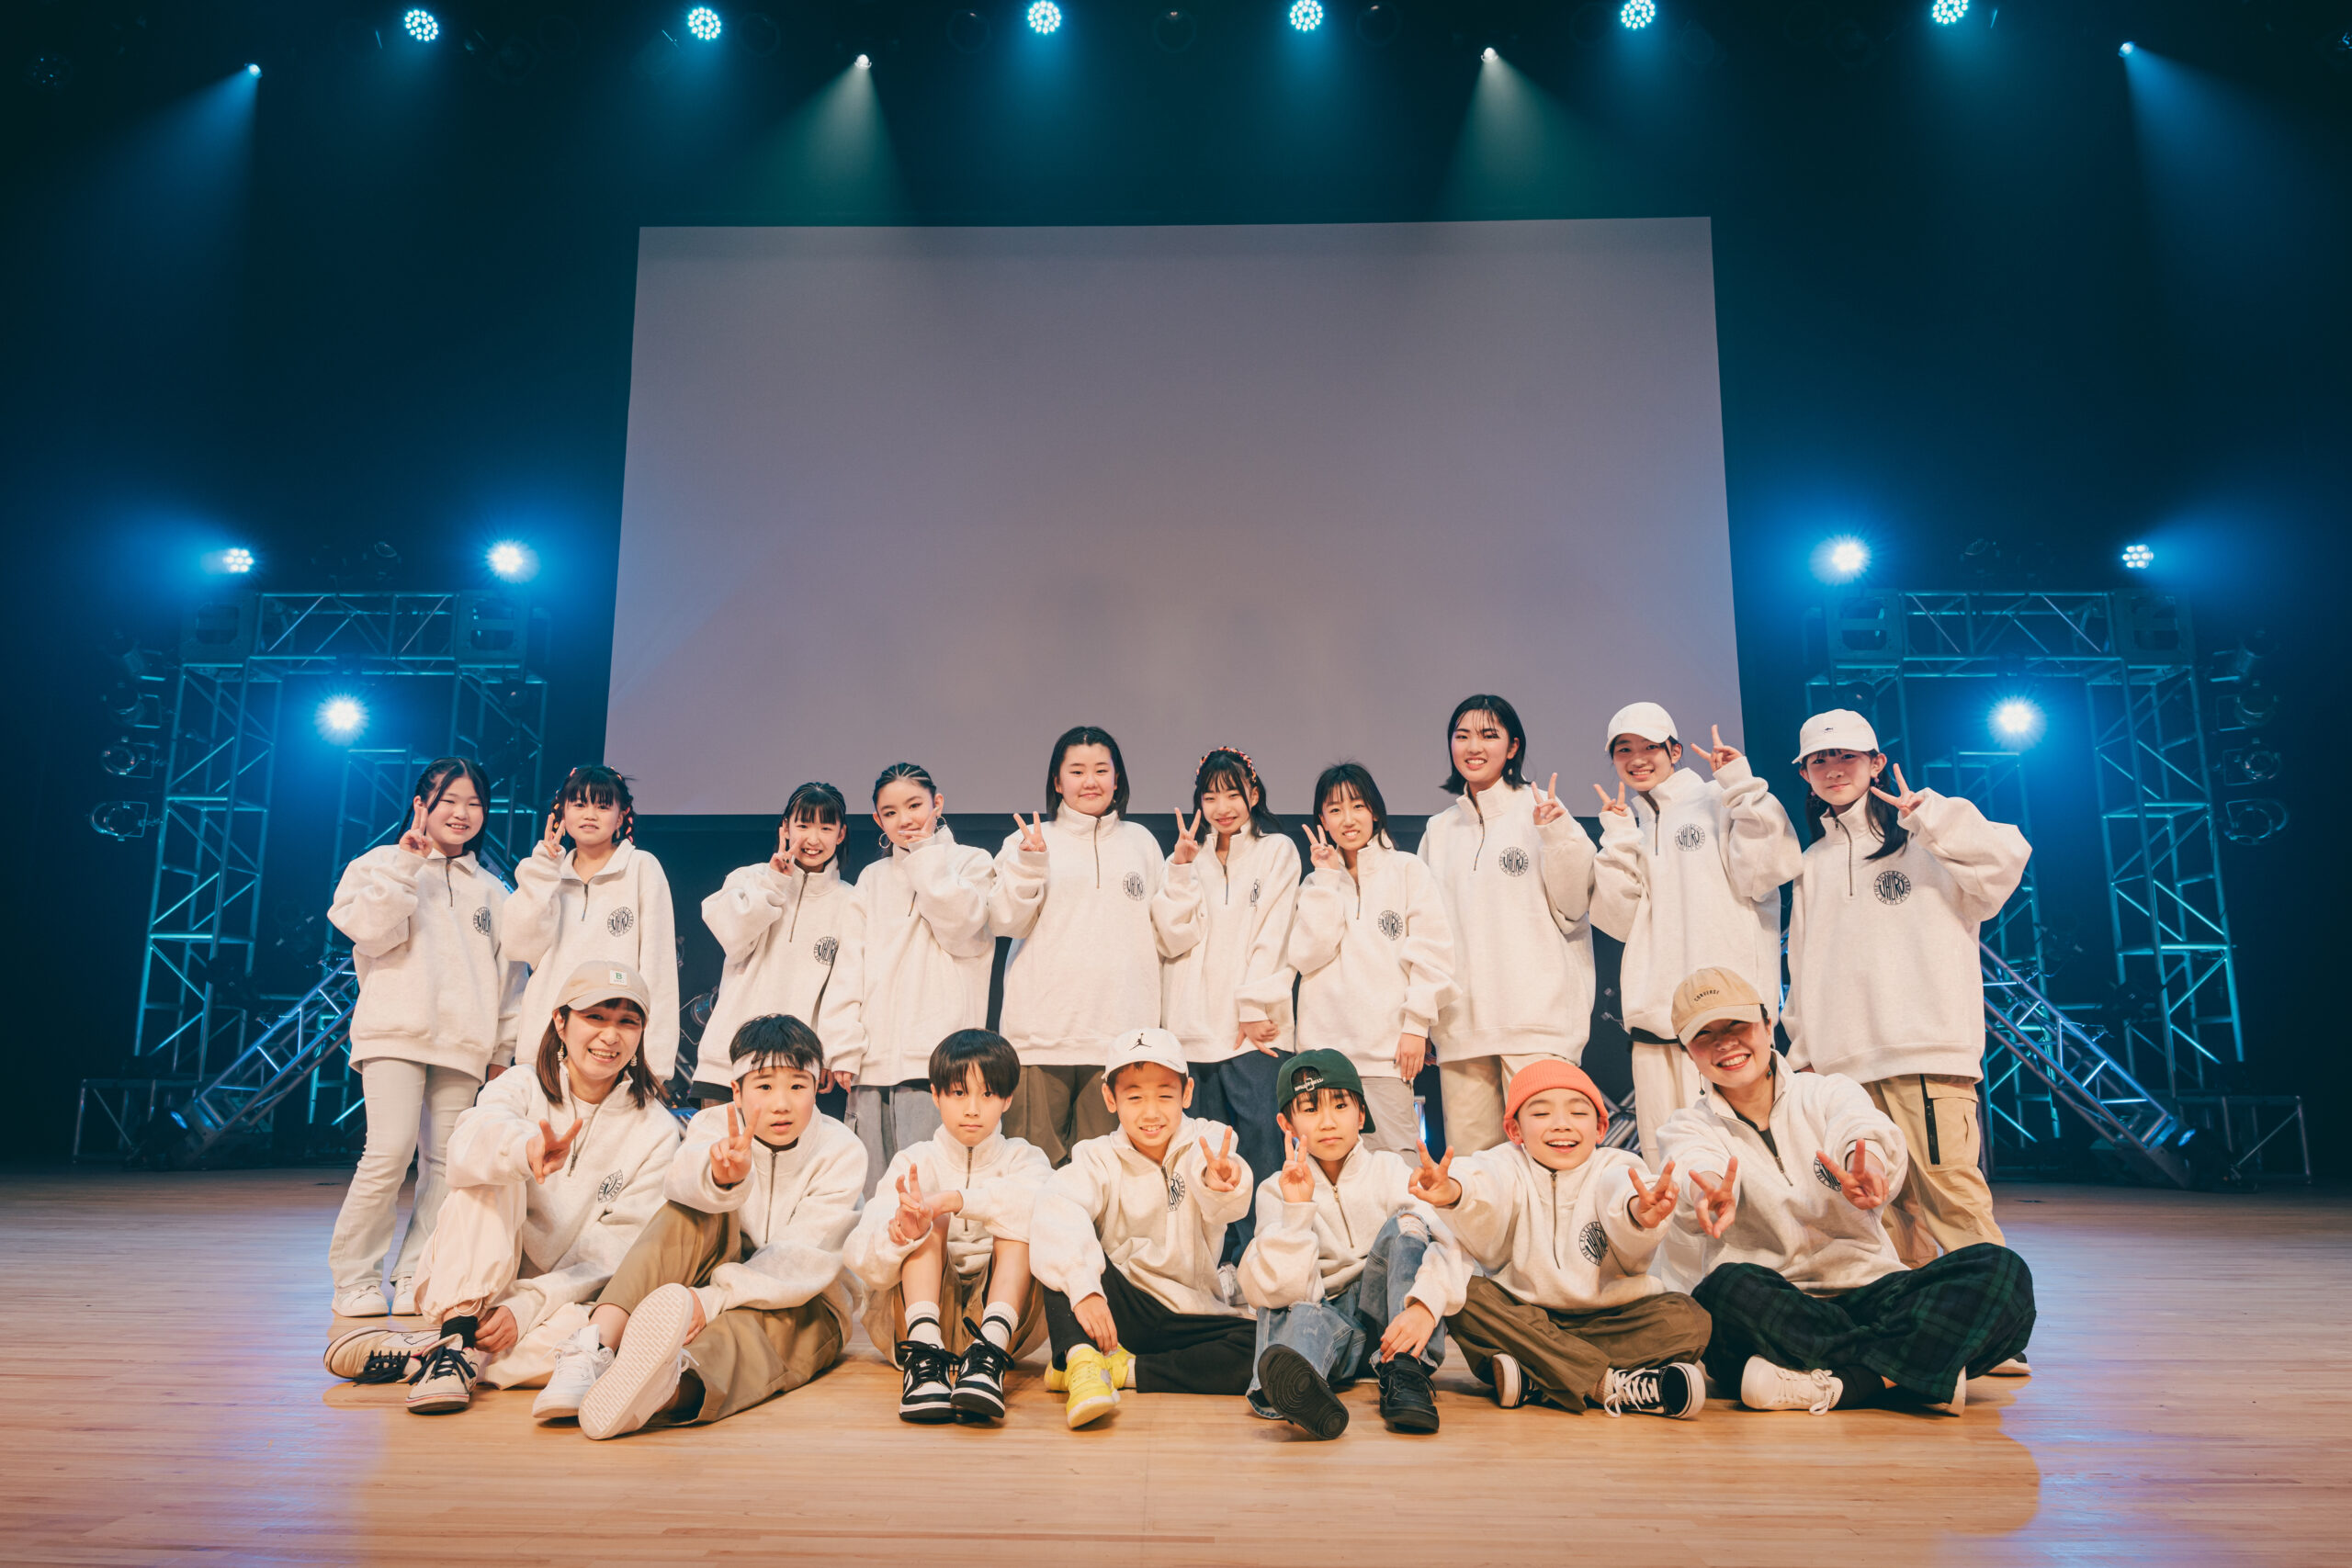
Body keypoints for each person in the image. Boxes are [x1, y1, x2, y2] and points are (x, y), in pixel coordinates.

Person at [1659, 966, 2036, 1415]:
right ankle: (1906, 1371)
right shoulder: (1687, 1125)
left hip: (1874, 1292)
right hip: (1778, 1300)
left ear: (1766, 1022)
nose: (1725, 1043)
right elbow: (1694, 1164)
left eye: (1737, 1025)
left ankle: (1841, 1383)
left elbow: (1858, 1126)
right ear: (1688, 1052)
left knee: (2002, 1271)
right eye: (1705, 1035)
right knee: (1723, 1292)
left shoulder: (1826, 1091)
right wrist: (1706, 1194)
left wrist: (1870, 1162)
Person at [321, 962, 681, 1415]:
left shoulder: (656, 1129)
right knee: (488, 1168)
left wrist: (527, 1306)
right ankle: (460, 1328)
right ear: (561, 1021)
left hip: (560, 1297)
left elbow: (618, 1249)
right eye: (596, 1017)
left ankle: (440, 1353)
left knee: (597, 1344)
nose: (610, 1036)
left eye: (628, 1022)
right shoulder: (520, 1085)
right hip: (474, 1282)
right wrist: (524, 1151)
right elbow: (465, 1147)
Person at [538, 1012, 868, 1439]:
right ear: (737, 1091)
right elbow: (679, 1185)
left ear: (817, 1087)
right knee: (686, 1211)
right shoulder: (714, 1126)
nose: (781, 1103)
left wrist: (712, 1299)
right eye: (764, 1086)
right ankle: (594, 1346)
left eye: (797, 1086)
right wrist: (722, 1179)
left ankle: (664, 1389)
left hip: (807, 1300)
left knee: (756, 1334)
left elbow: (802, 1259)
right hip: (713, 1272)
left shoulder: (842, 1150)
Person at [1786, 710, 2031, 1266]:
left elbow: (2006, 862)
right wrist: (1804, 1054)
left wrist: (1932, 817)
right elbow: (1802, 965)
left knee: (1954, 1201)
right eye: (1819, 760)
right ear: (1805, 774)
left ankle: (1996, 1313)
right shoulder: (1812, 862)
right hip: (1845, 1069)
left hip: (1925, 1052)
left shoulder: (1928, 838)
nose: (1833, 768)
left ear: (1877, 763)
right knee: (1882, 1214)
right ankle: (1914, 1316)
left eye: (1847, 756)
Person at [323, 757, 522, 1318]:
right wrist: (406, 866)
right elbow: (369, 934)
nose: (462, 813)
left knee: (446, 1167)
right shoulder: (378, 864)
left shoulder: (493, 890)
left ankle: (417, 1271)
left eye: (474, 803)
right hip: (394, 1034)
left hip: (464, 1045)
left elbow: (510, 980)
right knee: (387, 1153)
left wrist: (502, 1053)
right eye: (449, 800)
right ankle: (355, 1279)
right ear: (421, 805)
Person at [1414, 1059, 1713, 1417]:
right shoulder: (1507, 1164)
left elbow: (1623, 1190)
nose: (1561, 1124)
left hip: (1607, 1321)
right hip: (1526, 1318)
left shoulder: (1614, 1164)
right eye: (1541, 1113)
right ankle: (1607, 1385)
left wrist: (1639, 1211)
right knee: (1469, 1299)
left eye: (1578, 1112)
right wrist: (1454, 1191)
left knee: (1690, 1320)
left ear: (1600, 1127)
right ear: (1514, 1129)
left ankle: (1542, 1377)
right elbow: (1483, 1182)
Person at [1589, 704, 1802, 1166]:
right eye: (1624, 750)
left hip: (1727, 1022)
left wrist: (1740, 784)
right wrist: (1618, 839)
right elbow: (1618, 921)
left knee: (1747, 1160)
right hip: (1656, 1022)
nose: (1637, 758)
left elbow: (1769, 869)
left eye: (1650, 746)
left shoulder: (1716, 799)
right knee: (1666, 1165)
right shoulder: (1636, 826)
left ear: (1675, 751)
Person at [1030, 1028, 1256, 1428]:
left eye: (1165, 1096)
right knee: (1064, 1244)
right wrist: (1085, 1291)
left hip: (1187, 1309)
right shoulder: (1097, 1156)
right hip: (1120, 1308)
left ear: (1187, 1094)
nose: (1151, 1113)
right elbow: (1058, 1207)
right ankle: (1083, 1362)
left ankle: (1126, 1371)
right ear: (1110, 1098)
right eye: (1135, 1098)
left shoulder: (1207, 1141)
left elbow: (1221, 1188)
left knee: (1260, 1348)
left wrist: (1220, 1180)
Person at [1237, 1049, 1464, 1440]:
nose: (1328, 1122)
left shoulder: (1389, 1170)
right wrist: (1297, 1211)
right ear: (1287, 1124)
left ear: (1361, 1115)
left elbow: (1447, 1243)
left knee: (1408, 1225)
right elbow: (1274, 1292)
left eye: (1340, 1106)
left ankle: (1406, 1373)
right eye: (1310, 1109)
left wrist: (1424, 1308)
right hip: (1329, 1334)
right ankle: (1305, 1392)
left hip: (1392, 1327)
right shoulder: (1275, 1189)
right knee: (1288, 1303)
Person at [992, 727, 1186, 1164]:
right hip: (1040, 1037)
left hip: (1121, 1039)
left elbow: (1167, 937)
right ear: (1057, 782)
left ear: (1117, 779)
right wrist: (1030, 864)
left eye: (1101, 770)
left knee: (1110, 1175)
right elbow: (1006, 921)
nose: (1090, 781)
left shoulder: (1142, 843)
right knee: (1033, 1173)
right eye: (1077, 771)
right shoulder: (1027, 841)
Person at [844, 1029, 1053, 1424]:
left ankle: (986, 1359)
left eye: (987, 1094)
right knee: (923, 1213)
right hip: (917, 1319)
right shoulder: (913, 1161)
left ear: (1007, 1099)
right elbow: (861, 1262)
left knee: (1022, 1216)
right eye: (959, 1093)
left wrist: (959, 1200)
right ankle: (924, 1361)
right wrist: (900, 1234)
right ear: (936, 1096)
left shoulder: (1025, 1158)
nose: (972, 1109)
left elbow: (1049, 1221)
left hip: (1002, 1325)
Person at [1419, 695, 1598, 1156]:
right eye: (1462, 736)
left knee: (1548, 1159)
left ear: (1513, 746)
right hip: (1462, 1029)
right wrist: (1425, 1017)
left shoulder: (1542, 812)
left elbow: (1574, 905)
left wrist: (1555, 834)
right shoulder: (1439, 831)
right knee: (1475, 1169)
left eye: (1488, 735)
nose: (1473, 747)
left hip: (1537, 1021)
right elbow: (1425, 933)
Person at [1154, 747, 1301, 1264]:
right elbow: (1171, 939)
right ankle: (1211, 1267)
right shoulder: (1186, 859)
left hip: (1252, 1031)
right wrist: (1179, 870)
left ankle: (1263, 1263)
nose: (1222, 807)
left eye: (1232, 794)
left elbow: (1275, 933)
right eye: (1210, 796)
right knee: (1204, 1156)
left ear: (1253, 795)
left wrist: (1254, 1004)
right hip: (1192, 1030)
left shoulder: (1277, 851)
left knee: (1261, 1146)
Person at [842, 762, 996, 1196]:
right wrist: (845, 1047)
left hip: (940, 1060)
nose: (904, 820)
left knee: (930, 1196)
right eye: (890, 813)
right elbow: (850, 967)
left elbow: (961, 931)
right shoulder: (871, 879)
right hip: (873, 1062)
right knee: (873, 1199)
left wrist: (926, 855)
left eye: (914, 806)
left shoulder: (972, 862)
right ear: (878, 820)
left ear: (937, 804)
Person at [1286, 762, 1454, 1157]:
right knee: (1326, 1171)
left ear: (1374, 811)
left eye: (1358, 806)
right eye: (1335, 810)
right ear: (1322, 820)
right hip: (1322, 1061)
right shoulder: (1315, 884)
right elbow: (1307, 957)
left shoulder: (1408, 870)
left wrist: (1416, 1026)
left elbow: (1432, 953)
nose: (1348, 819)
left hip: (1387, 1057)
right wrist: (1326, 879)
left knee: (1399, 1168)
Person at [690, 782, 864, 1104]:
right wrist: (774, 883)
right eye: (803, 825)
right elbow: (733, 940)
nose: (813, 839)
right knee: (719, 1139)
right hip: (727, 1062)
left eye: (826, 828)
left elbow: (846, 987)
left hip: (796, 1068)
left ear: (841, 834)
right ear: (785, 827)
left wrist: (832, 1052)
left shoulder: (851, 901)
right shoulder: (750, 879)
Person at [504, 766, 682, 1082]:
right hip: (546, 1044)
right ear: (562, 812)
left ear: (621, 816)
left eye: (602, 806)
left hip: (614, 1047)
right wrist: (543, 871)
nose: (590, 815)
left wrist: (655, 1063)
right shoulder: (546, 873)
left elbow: (659, 971)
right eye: (579, 804)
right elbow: (518, 947)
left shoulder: (641, 868)